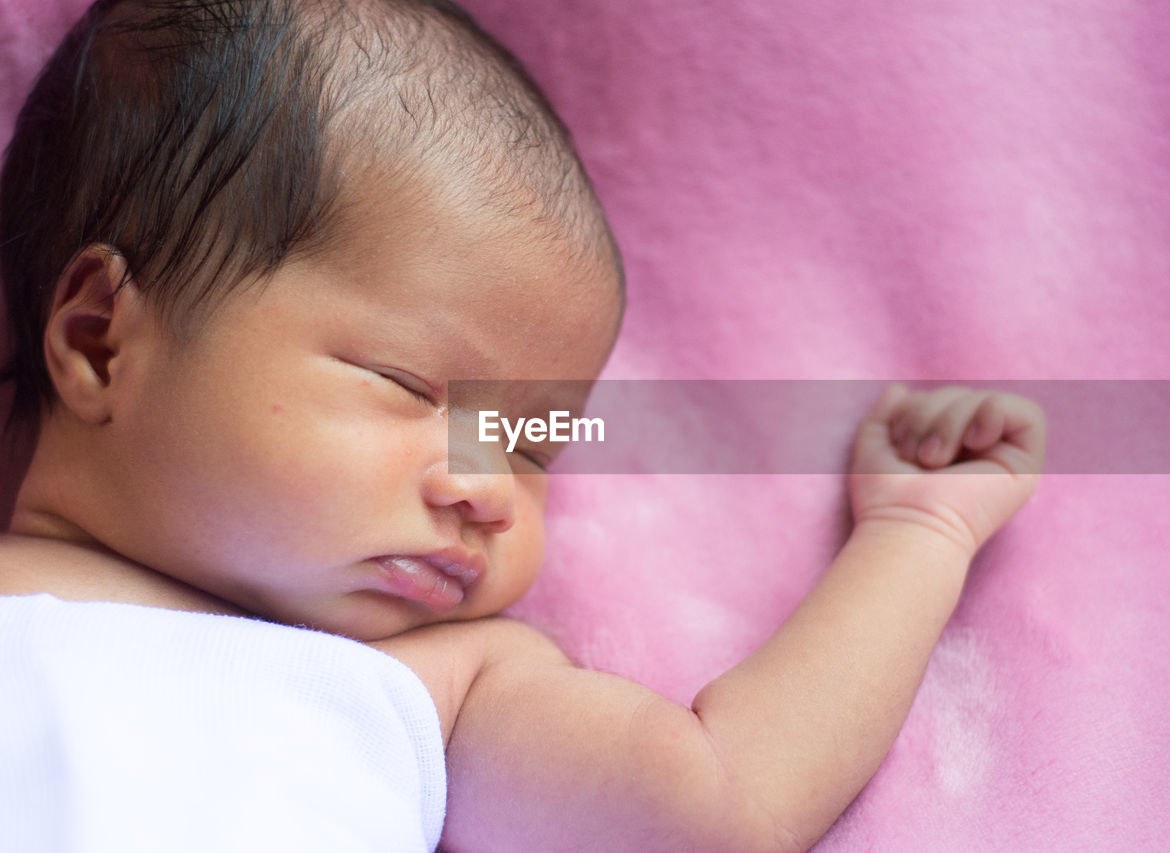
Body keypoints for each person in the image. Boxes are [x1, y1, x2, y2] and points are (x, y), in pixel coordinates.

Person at [0, 0, 1047, 850]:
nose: (488, 487)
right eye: (409, 386)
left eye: (535, 447)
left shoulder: (441, 687)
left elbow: (718, 802)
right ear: (100, 341)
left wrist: (918, 534)